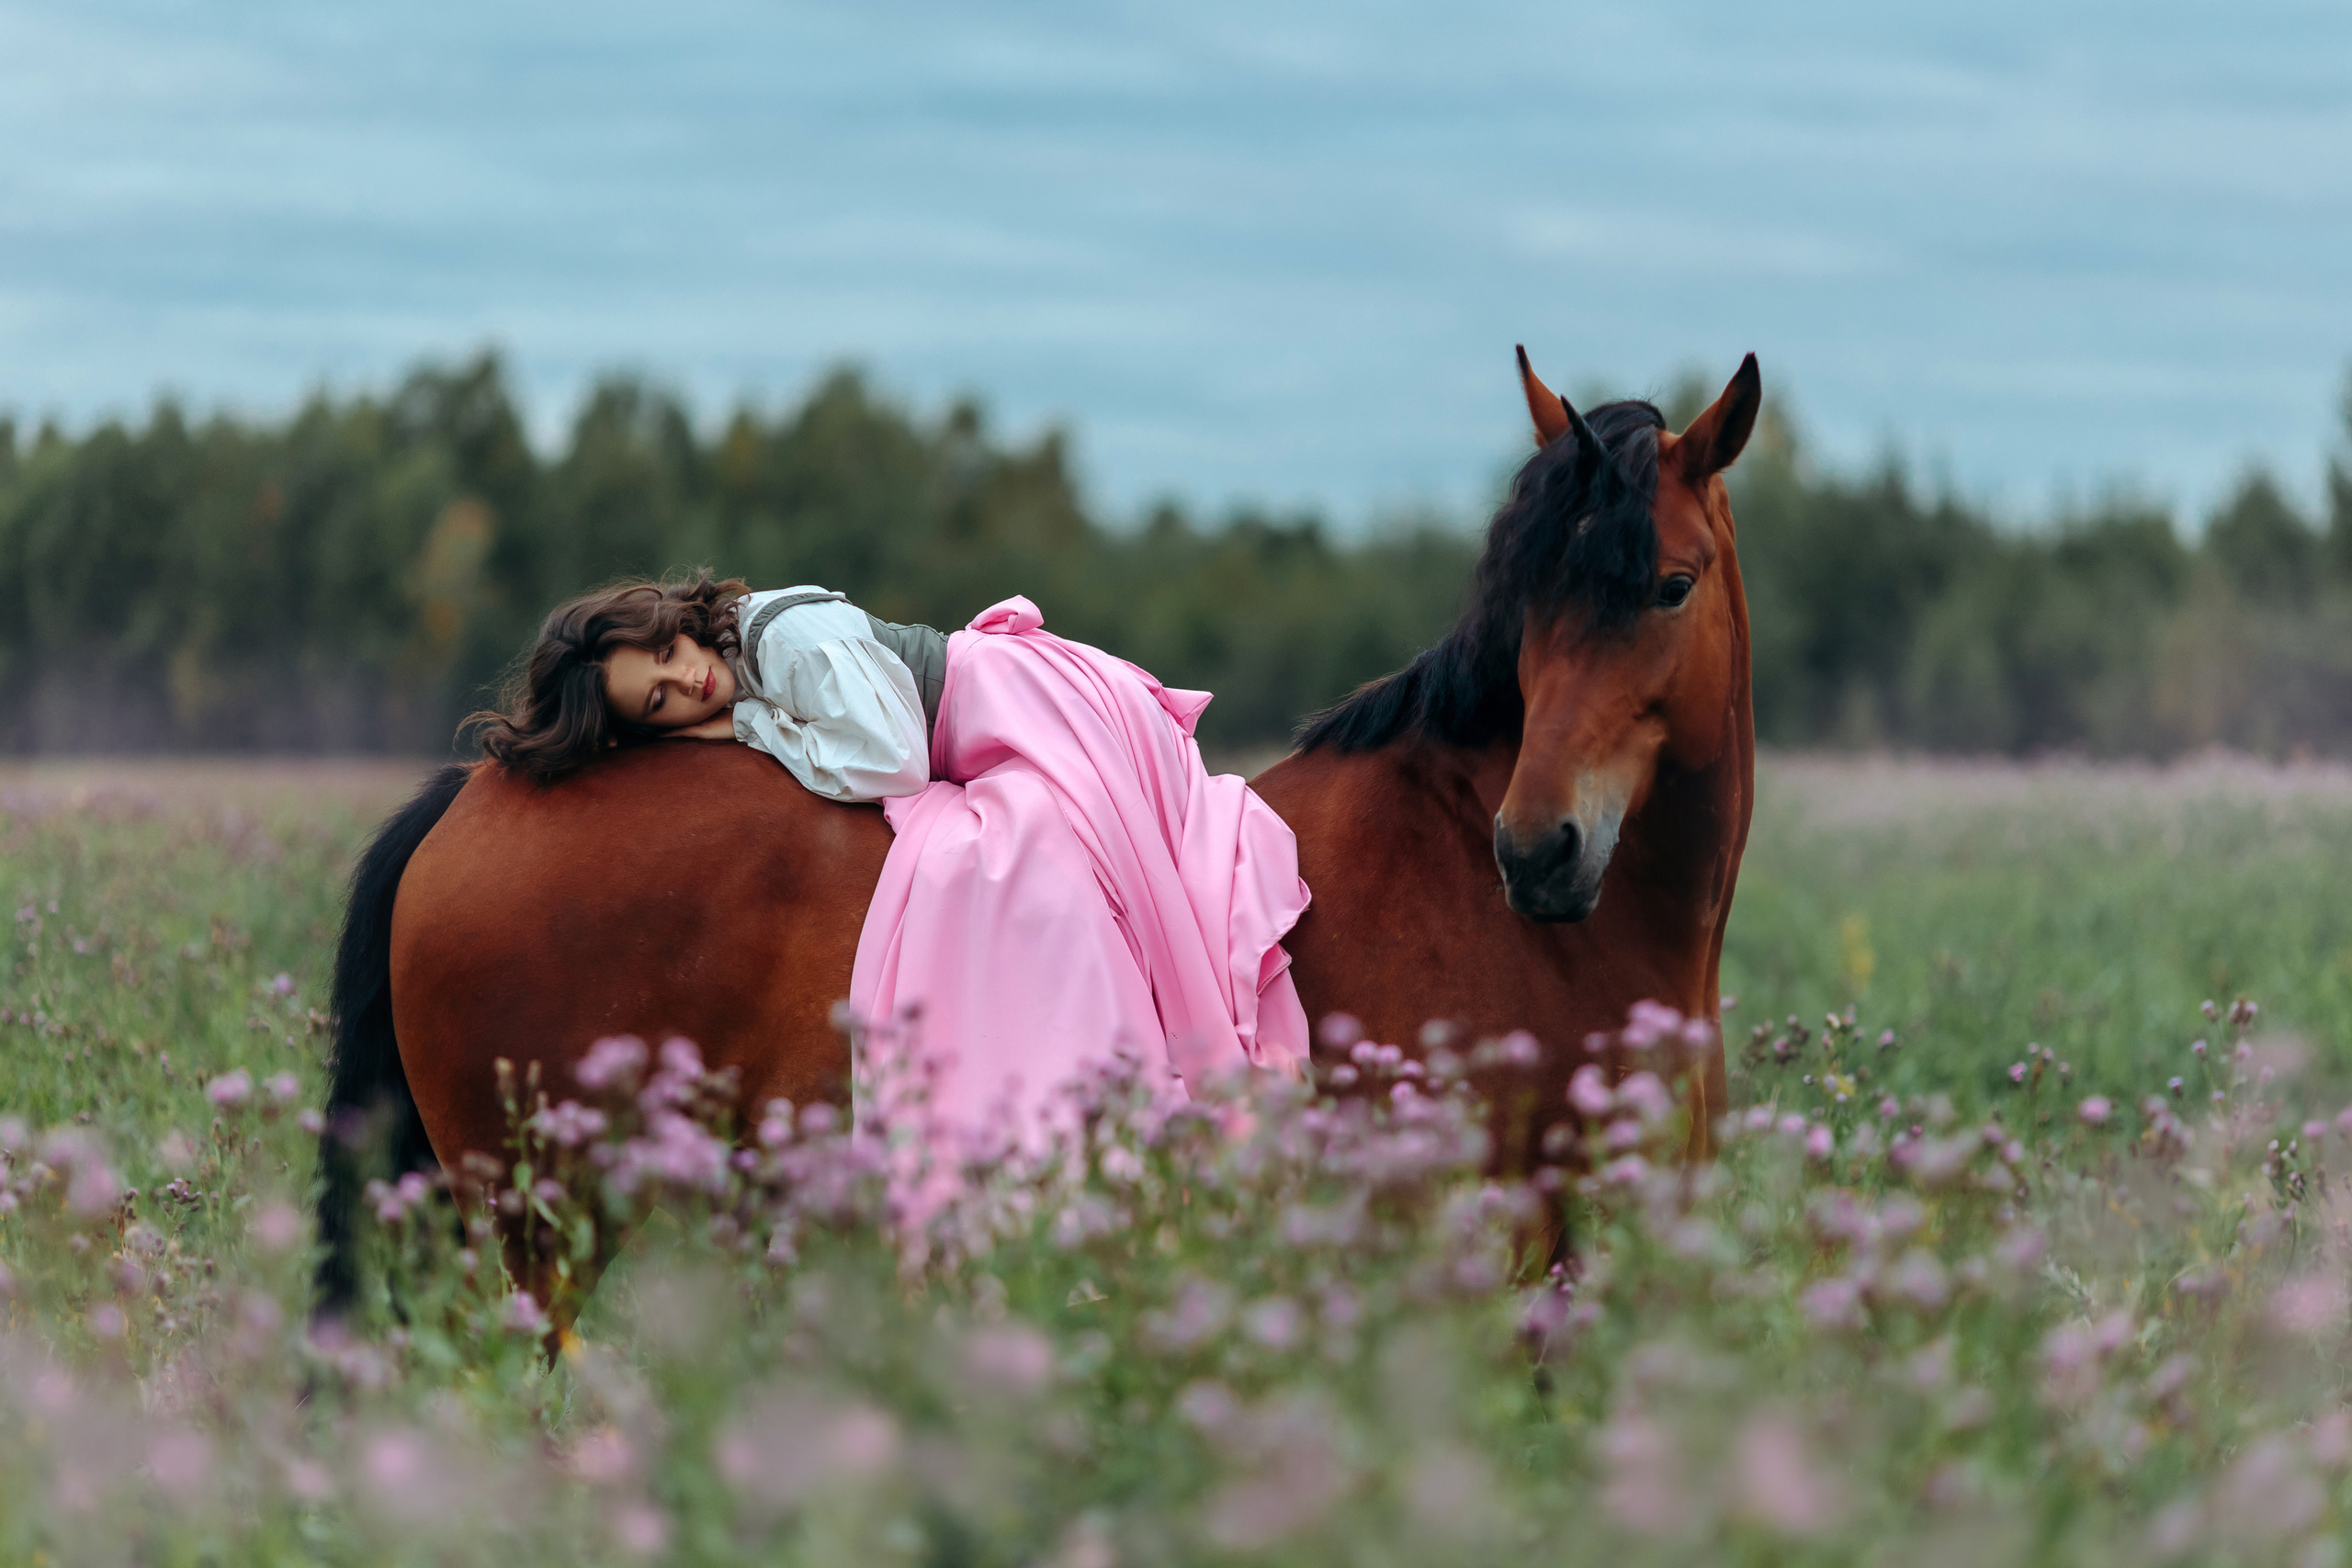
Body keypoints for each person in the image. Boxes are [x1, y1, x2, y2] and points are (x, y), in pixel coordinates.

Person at [471, 570, 1311, 1150]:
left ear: (671, 624)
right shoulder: (742, 660)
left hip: (1024, 707)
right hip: (990, 726)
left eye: (665, 653)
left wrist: (748, 729)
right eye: (657, 701)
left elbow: (896, 760)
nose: (684, 682)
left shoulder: (776, 638)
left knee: (1047, 867)